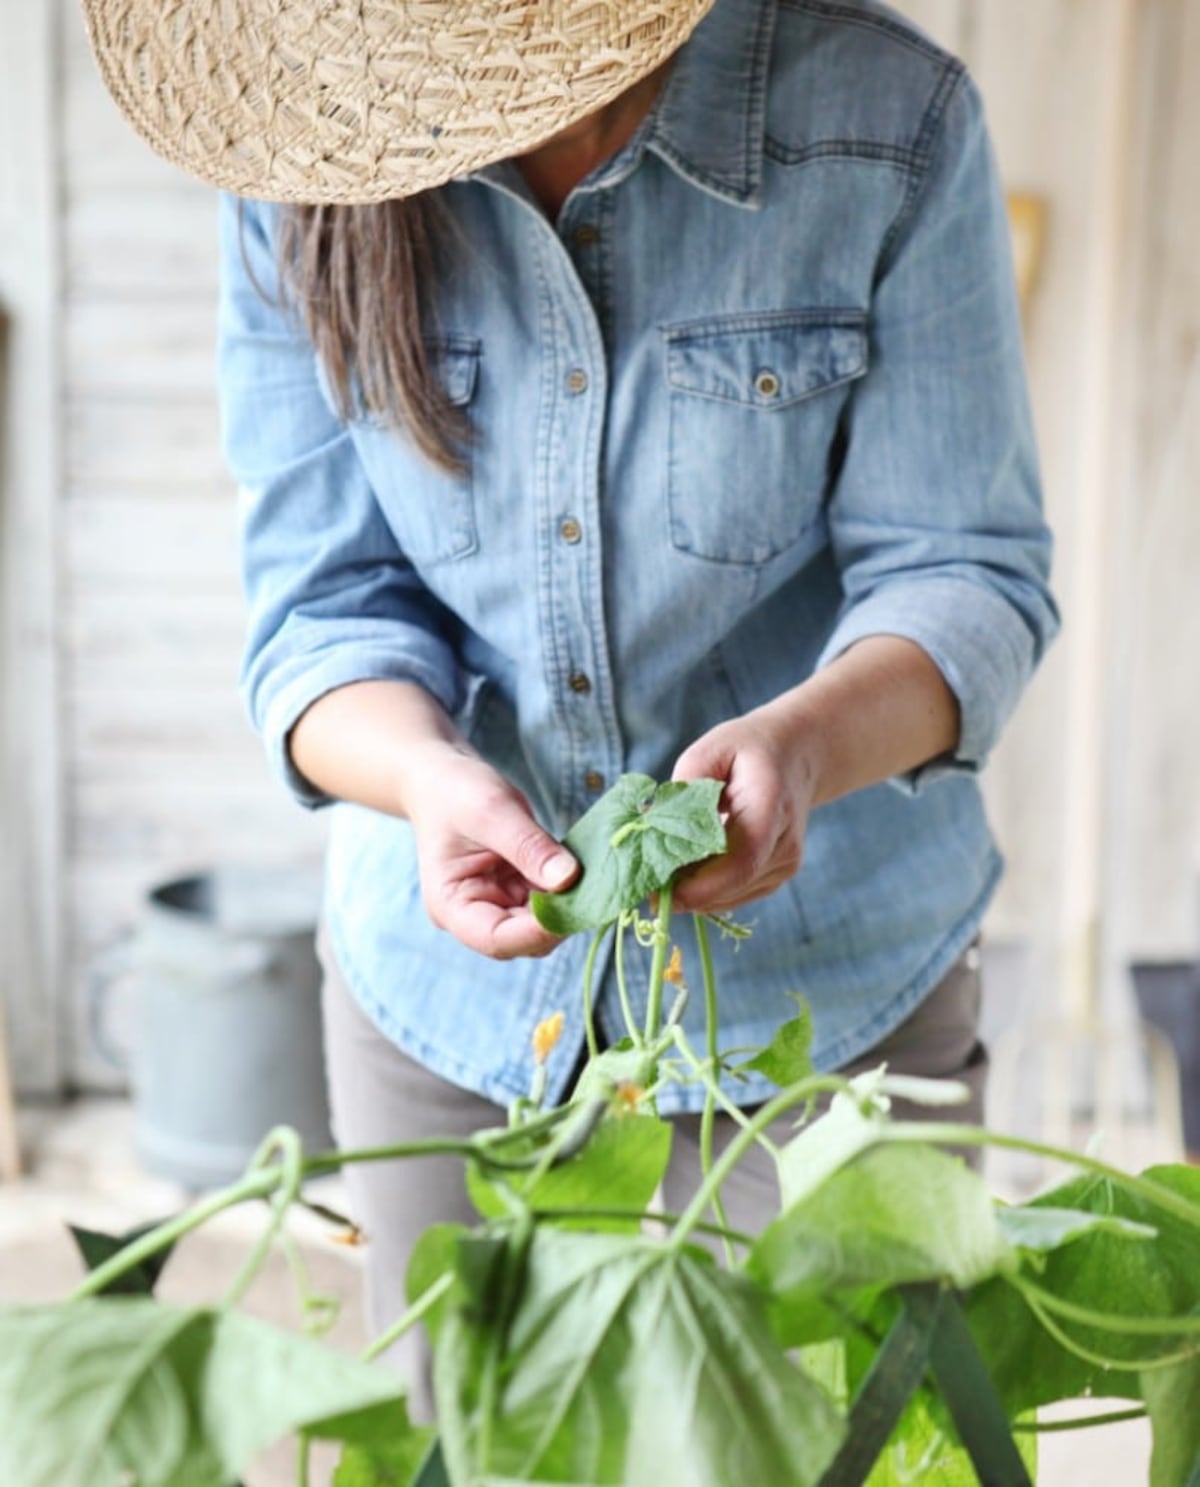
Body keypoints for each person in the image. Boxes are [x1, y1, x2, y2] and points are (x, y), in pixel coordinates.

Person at [85, 0, 1058, 1411]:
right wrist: (427, 779)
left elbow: (964, 574)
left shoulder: (887, 124)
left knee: (826, 1438)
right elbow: (318, 611)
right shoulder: (305, 169)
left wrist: (804, 747)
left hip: (831, 1000)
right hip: (450, 1016)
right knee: (470, 1439)